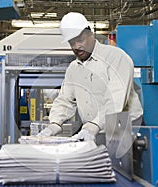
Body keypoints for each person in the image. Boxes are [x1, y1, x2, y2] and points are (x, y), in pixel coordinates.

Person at [38, 12, 143, 141]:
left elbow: (115, 100)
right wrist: (54, 124)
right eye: (72, 42)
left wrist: (93, 125)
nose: (76, 46)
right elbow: (65, 100)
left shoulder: (116, 57)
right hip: (94, 131)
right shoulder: (73, 68)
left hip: (125, 129)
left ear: (91, 34)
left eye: (80, 40)